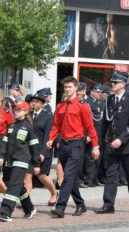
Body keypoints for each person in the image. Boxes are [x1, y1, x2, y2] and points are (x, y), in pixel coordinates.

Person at [47, 76, 99, 218]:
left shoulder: (82, 105)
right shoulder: (60, 106)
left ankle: (60, 207)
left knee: (68, 176)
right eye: (65, 87)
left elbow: (90, 127)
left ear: (76, 88)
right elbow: (56, 125)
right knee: (72, 178)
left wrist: (95, 146)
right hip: (63, 144)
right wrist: (51, 139)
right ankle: (80, 204)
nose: (67, 89)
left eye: (70, 87)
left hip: (77, 144)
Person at [95, 70, 129, 214]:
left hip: (127, 144)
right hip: (111, 144)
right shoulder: (109, 99)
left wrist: (121, 139)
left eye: (115, 82)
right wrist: (100, 143)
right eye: (112, 82)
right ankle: (108, 204)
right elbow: (106, 123)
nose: (112, 84)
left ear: (123, 84)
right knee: (111, 175)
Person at [0, 101, 40, 222]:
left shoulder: (29, 127)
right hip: (9, 160)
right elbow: (5, 143)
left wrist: (36, 164)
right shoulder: (11, 126)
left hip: (21, 160)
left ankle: (5, 212)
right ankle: (29, 209)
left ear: (26, 112)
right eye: (15, 110)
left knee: (13, 186)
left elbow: (34, 146)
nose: (16, 112)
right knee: (12, 183)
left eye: (19, 110)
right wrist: (1, 156)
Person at [30, 91, 57, 205]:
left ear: (42, 103)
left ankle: (54, 193)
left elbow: (48, 136)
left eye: (37, 102)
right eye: (33, 102)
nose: (34, 104)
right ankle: (27, 201)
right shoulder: (28, 115)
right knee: (28, 176)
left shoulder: (48, 117)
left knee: (42, 176)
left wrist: (43, 153)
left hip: (43, 150)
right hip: (30, 150)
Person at [84, 83, 104, 187]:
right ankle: (89, 179)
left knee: (98, 157)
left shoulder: (100, 103)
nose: (99, 94)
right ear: (92, 92)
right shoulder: (88, 103)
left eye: (100, 92)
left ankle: (95, 178)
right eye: (97, 92)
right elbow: (86, 121)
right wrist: (87, 134)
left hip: (99, 134)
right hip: (91, 134)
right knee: (90, 157)